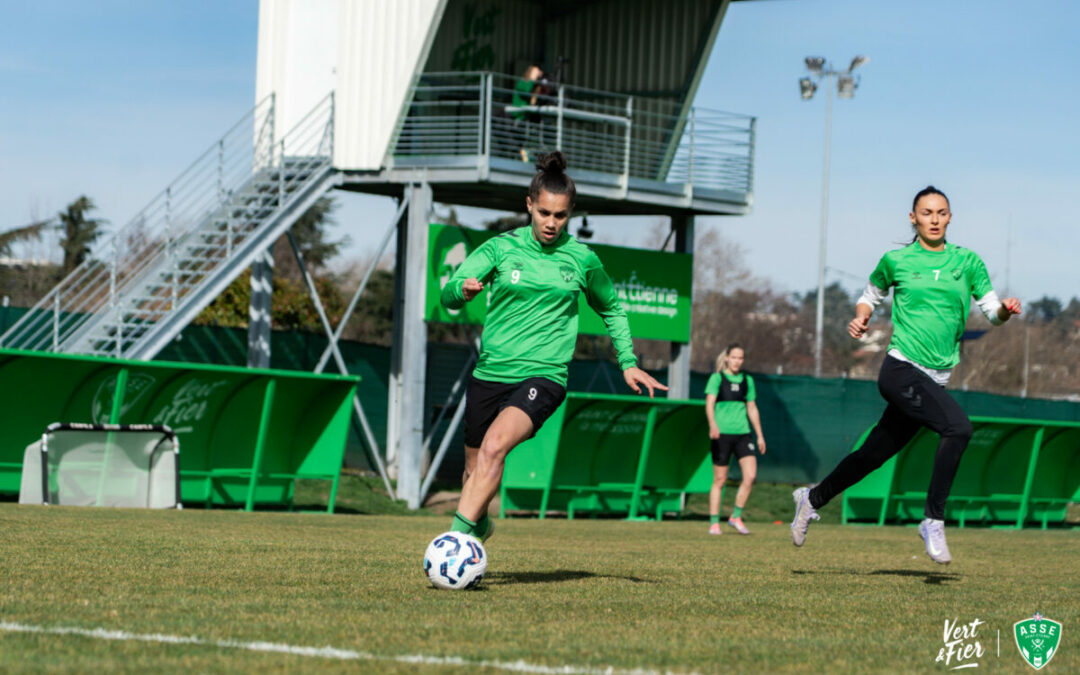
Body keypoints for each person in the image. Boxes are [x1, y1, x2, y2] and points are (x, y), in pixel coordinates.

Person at [441, 151, 667, 543]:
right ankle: (477, 526)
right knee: (473, 471)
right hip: (490, 373)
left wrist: (627, 361)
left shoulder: (582, 259)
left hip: (544, 375)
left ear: (571, 213)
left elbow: (611, 308)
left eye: (560, 216)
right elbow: (447, 295)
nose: (551, 223)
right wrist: (460, 290)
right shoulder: (500, 248)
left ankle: (454, 543)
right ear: (529, 205)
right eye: (544, 213)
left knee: (495, 448)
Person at [790, 186, 1022, 563]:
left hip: (936, 377)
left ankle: (812, 498)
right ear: (912, 218)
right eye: (926, 213)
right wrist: (862, 316)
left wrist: (1006, 312)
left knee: (872, 455)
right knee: (958, 428)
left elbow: (992, 311)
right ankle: (933, 519)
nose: (934, 219)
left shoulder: (968, 262)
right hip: (900, 369)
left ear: (950, 217)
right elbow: (870, 294)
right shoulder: (896, 260)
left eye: (941, 212)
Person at [704, 343, 766, 535]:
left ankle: (736, 517)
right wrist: (713, 424)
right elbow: (709, 403)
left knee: (750, 476)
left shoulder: (747, 380)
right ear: (727, 358)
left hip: (743, 434)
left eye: (741, 358)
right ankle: (714, 523)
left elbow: (752, 408)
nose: (737, 361)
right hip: (722, 435)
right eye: (734, 357)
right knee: (720, 479)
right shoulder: (717, 378)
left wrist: (760, 435)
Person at [509, 65, 544, 162]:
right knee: (520, 138)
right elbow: (526, 91)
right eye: (536, 72)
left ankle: (530, 154)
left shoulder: (533, 86)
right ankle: (522, 153)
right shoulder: (522, 83)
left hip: (527, 118)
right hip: (519, 117)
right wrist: (533, 79)